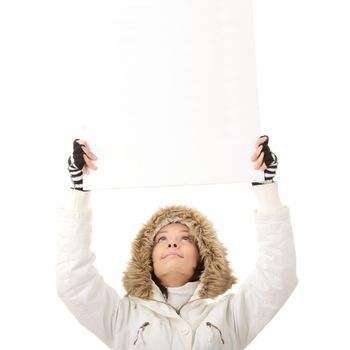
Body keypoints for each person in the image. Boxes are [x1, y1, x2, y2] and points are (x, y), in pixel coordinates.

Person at [56, 135, 298, 349]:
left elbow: (277, 276)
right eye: (162, 239)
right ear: (147, 259)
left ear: (202, 257)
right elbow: (74, 282)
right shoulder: (123, 316)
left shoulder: (230, 316)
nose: (172, 244)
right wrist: (78, 189)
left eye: (185, 238)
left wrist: (265, 186)